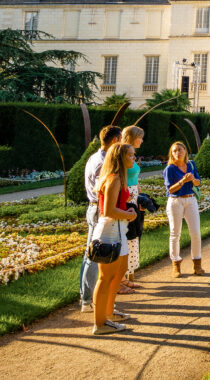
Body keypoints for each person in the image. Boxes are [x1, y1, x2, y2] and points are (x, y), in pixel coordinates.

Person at [91, 142, 137, 335]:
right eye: (131, 155)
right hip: (110, 230)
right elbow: (108, 210)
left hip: (119, 230)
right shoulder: (114, 178)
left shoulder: (119, 178)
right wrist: (128, 214)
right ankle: (100, 323)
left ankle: (108, 313)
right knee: (105, 278)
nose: (134, 158)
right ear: (120, 158)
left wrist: (130, 209)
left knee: (119, 272)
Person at [80, 125, 122, 313]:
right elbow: (103, 192)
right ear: (115, 140)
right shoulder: (103, 163)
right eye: (120, 139)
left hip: (94, 208)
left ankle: (88, 297)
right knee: (94, 254)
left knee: (91, 253)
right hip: (99, 209)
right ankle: (87, 300)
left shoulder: (94, 157)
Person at [164, 141, 203, 277]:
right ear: (171, 154)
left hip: (191, 199)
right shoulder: (170, 169)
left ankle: (197, 264)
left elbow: (199, 182)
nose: (178, 152)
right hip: (176, 201)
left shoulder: (191, 165)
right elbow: (170, 189)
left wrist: (192, 180)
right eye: (174, 151)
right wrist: (182, 181)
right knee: (175, 234)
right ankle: (176, 265)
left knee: (196, 233)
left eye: (180, 149)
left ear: (185, 151)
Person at [121, 125, 145, 292]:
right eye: (140, 137)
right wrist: (126, 196)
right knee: (126, 235)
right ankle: (120, 279)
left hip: (133, 197)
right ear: (132, 137)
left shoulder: (130, 153)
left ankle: (124, 277)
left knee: (132, 234)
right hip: (127, 197)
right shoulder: (122, 153)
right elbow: (119, 176)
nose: (142, 140)